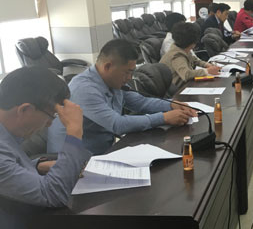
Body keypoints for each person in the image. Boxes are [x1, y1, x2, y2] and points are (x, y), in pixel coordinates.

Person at [0, 67, 91, 229]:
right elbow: (53, 195)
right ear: (25, 109)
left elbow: (7, 172)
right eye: (51, 116)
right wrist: (74, 132)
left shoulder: (7, 134)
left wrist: (37, 166)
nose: (50, 125)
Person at [47, 40, 197, 155]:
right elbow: (117, 124)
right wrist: (164, 118)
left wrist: (171, 105)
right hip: (71, 158)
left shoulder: (113, 82)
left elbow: (140, 102)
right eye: (127, 72)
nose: (130, 78)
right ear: (107, 66)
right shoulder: (84, 89)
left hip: (102, 150)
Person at [160, 22, 221, 90]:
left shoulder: (181, 48)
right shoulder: (177, 55)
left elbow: (195, 60)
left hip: (184, 85)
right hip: (178, 90)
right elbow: (186, 74)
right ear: (193, 42)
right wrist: (207, 71)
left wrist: (207, 65)